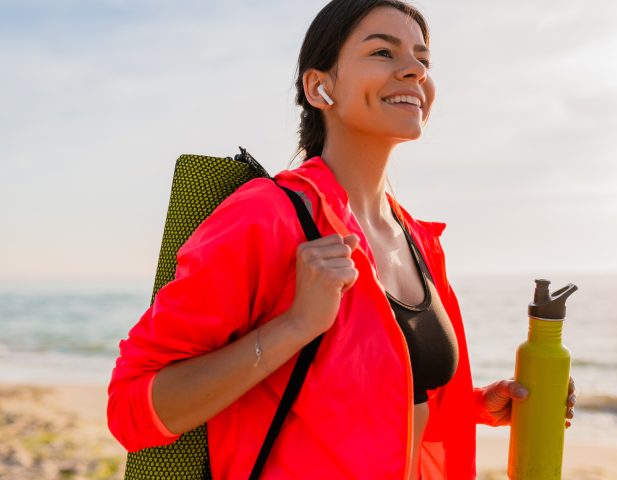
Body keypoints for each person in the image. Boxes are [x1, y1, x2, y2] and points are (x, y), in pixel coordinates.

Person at [107, 1, 577, 478]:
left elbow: (371, 401)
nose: (414, 70)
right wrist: (296, 326)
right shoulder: (267, 216)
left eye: (423, 58)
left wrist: (478, 405)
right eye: (382, 52)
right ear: (320, 87)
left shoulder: (416, 237)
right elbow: (132, 410)